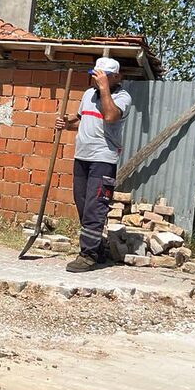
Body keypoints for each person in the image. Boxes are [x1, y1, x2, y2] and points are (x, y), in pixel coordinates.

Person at [56, 56, 134, 273]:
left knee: (95, 206)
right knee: (82, 204)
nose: (97, 80)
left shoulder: (122, 97)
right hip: (82, 156)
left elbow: (109, 116)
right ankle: (97, 247)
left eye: (103, 76)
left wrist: (105, 89)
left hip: (103, 159)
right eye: (96, 75)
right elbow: (84, 119)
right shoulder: (88, 94)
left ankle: (88, 255)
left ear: (117, 77)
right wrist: (67, 122)